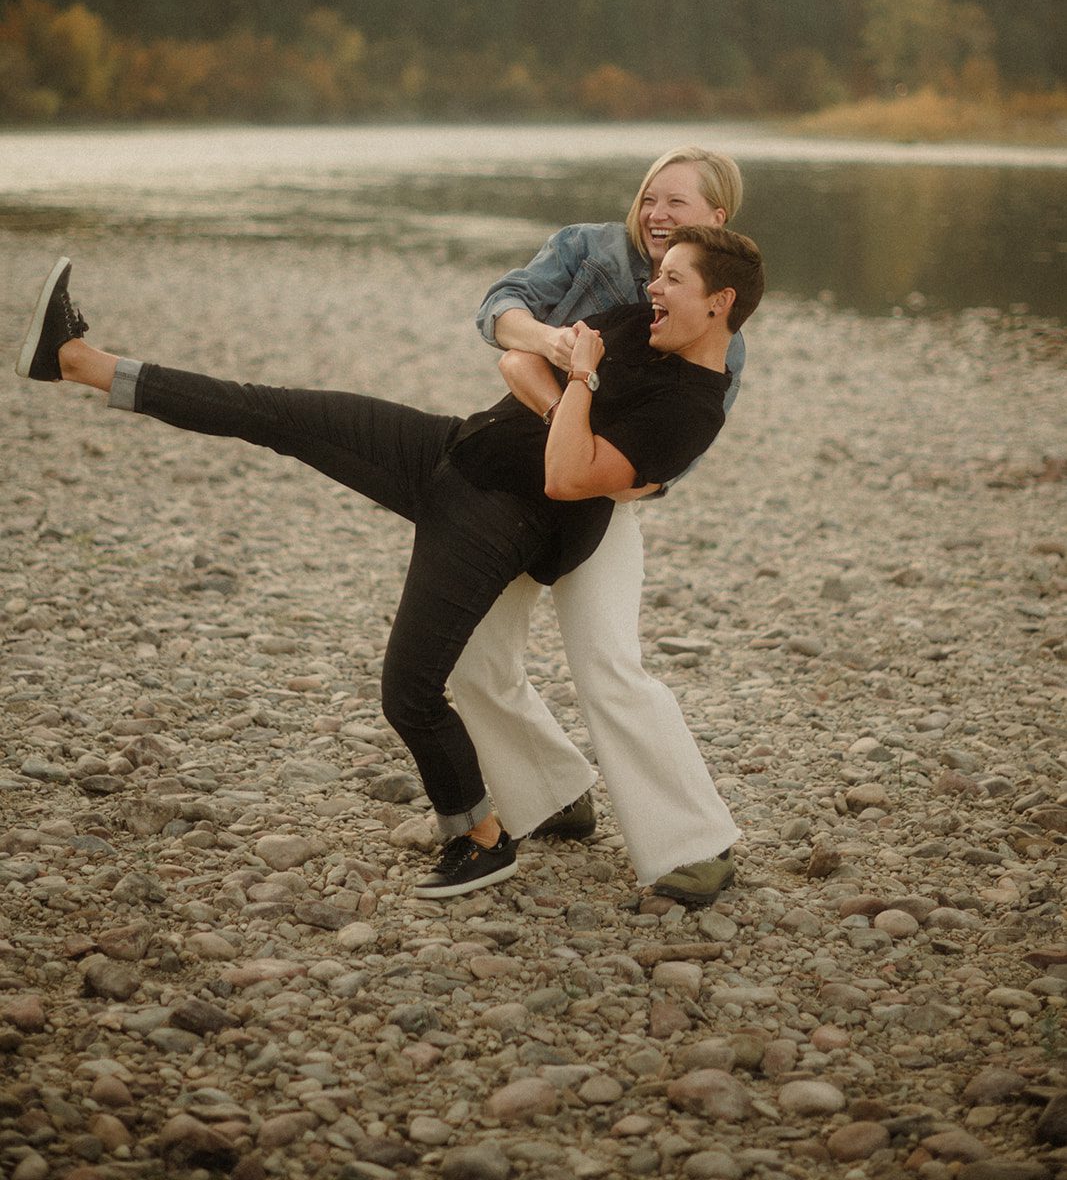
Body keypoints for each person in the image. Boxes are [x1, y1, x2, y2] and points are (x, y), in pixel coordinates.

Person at [15, 227, 764, 900]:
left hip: (495, 518)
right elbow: (515, 360)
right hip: (444, 447)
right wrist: (572, 397)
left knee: (409, 690)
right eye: (655, 274)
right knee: (272, 412)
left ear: (719, 302)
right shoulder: (635, 325)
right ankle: (75, 360)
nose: (651, 289)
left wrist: (579, 385)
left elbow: (566, 479)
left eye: (671, 279)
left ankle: (477, 840)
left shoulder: (691, 408)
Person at [449, 146, 749, 902]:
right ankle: (550, 790)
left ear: (715, 219)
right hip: (514, 478)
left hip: (603, 504)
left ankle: (693, 842)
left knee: (609, 666)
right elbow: (500, 313)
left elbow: (660, 466)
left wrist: (572, 432)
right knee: (469, 654)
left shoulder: (720, 329)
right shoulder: (587, 248)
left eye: (675, 203)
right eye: (650, 197)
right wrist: (548, 348)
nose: (655, 214)